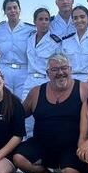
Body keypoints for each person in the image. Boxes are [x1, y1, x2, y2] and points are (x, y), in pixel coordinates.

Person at [14, 53, 88, 173]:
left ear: (71, 70)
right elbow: (19, 114)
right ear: (47, 73)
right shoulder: (36, 92)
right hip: (42, 144)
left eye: (64, 68)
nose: (60, 73)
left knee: (70, 172)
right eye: (55, 69)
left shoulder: (83, 89)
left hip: (72, 146)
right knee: (19, 158)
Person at [22, 7, 62, 137]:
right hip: (29, 80)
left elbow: (59, 63)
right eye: (40, 19)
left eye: (46, 19)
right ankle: (26, 143)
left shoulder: (55, 41)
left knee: (45, 114)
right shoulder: (29, 38)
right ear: (34, 21)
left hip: (46, 80)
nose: (44, 22)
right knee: (26, 115)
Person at [0, 0, 35, 96]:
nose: (12, 11)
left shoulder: (30, 30)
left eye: (15, 7)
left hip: (24, 71)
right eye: (9, 8)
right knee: (4, 102)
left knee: (23, 103)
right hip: (4, 71)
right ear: (5, 11)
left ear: (20, 9)